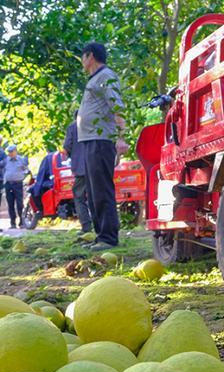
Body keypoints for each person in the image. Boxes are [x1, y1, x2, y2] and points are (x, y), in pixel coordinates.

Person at [77, 42, 127, 251]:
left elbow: (118, 107)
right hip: (89, 141)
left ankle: (108, 237)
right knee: (92, 191)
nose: (82, 61)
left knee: (101, 190)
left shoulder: (106, 76)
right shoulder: (95, 79)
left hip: (100, 141)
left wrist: (121, 138)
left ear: (90, 56)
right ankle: (101, 236)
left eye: (83, 57)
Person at [63, 111, 92, 234]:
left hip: (80, 168)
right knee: (95, 196)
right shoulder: (93, 124)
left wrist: (70, 155)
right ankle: (101, 225)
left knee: (79, 197)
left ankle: (86, 226)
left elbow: (67, 147)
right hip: (94, 166)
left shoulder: (73, 127)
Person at [3, 144, 28, 229]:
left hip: (18, 184)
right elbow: (3, 170)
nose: (10, 153)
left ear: (15, 151)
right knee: (10, 204)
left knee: (20, 203)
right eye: (9, 152)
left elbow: (26, 170)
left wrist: (22, 176)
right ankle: (12, 223)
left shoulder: (21, 160)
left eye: (12, 152)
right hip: (8, 184)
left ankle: (21, 222)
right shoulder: (6, 160)